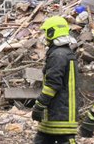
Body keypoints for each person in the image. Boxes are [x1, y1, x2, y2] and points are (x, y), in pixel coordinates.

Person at [31, 16, 77, 144]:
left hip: (60, 116)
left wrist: (39, 105)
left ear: (52, 33)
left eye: (46, 32)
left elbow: (52, 84)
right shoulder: (63, 53)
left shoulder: (58, 55)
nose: (45, 37)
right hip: (56, 115)